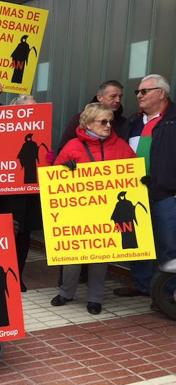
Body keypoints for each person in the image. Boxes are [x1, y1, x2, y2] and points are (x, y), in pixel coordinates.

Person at [51, 103, 136, 315]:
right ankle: (66, 292)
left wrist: (140, 178)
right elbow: (53, 178)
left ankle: (95, 297)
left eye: (110, 121)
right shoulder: (72, 146)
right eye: (103, 121)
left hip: (105, 211)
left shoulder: (121, 146)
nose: (109, 125)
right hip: (77, 211)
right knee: (73, 255)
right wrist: (63, 169)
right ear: (88, 123)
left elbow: (132, 170)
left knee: (101, 256)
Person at [113, 74, 176, 298]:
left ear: (161, 93)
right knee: (138, 242)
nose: (139, 95)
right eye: (138, 92)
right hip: (135, 193)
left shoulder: (173, 120)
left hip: (166, 194)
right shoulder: (134, 122)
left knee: (169, 246)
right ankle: (142, 286)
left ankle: (167, 294)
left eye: (144, 91)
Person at [0, 95, 42, 291]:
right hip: (5, 196)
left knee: (23, 237)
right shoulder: (1, 129)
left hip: (29, 193)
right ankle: (5, 274)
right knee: (5, 236)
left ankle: (18, 276)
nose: (34, 112)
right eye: (29, 108)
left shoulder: (41, 131)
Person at [57, 80, 126, 153]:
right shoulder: (80, 119)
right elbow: (63, 151)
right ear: (99, 98)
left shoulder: (124, 123)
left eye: (120, 96)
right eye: (113, 96)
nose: (118, 100)